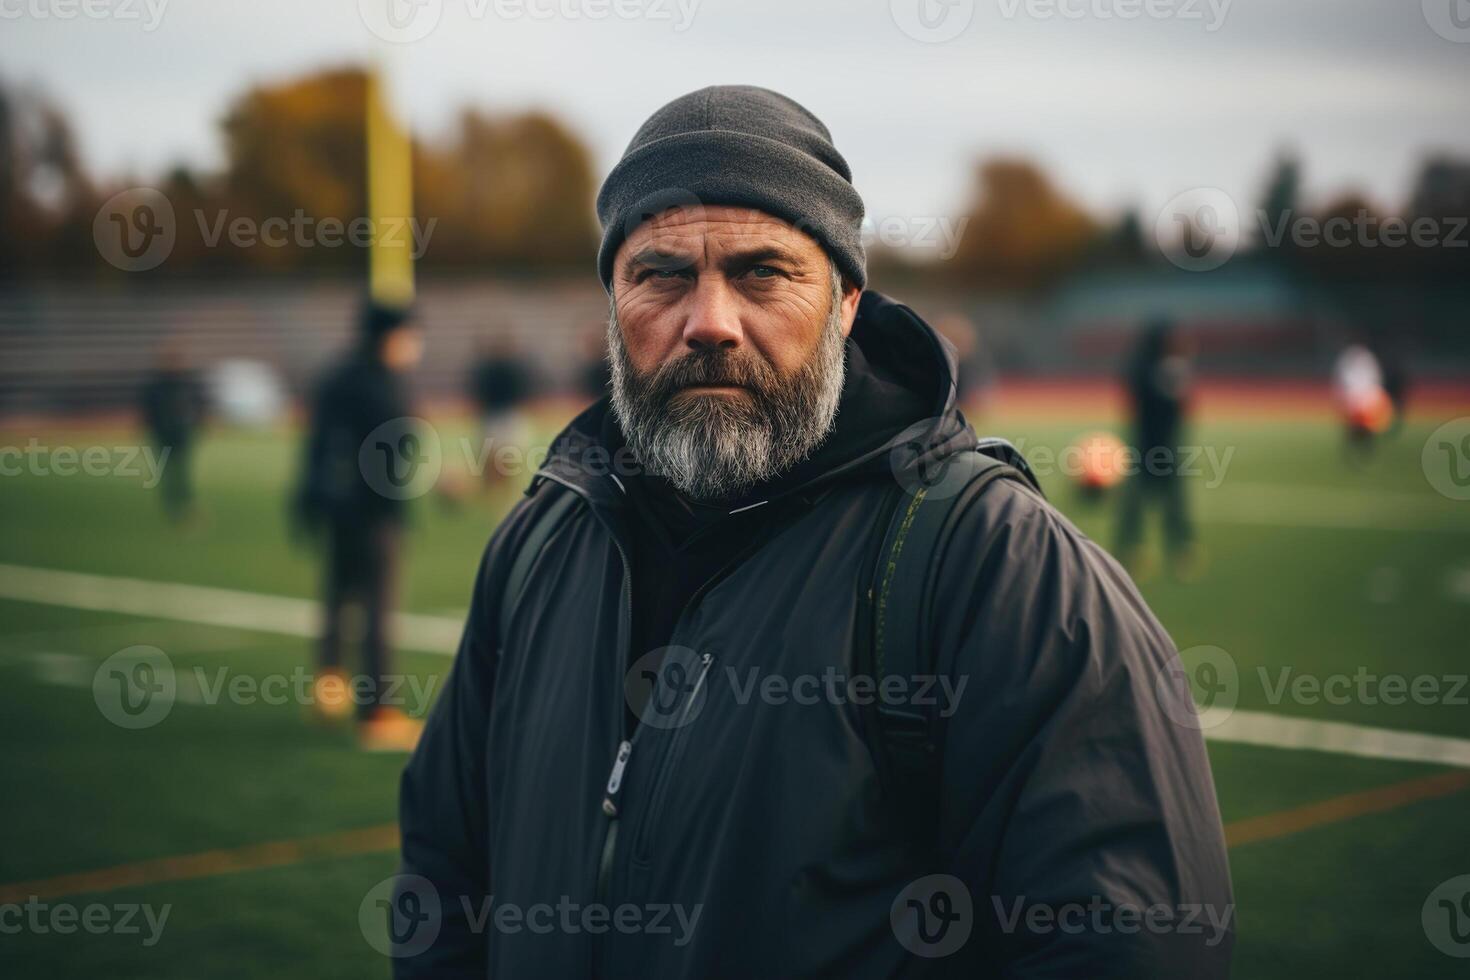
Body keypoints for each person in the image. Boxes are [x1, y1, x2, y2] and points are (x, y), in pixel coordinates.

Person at [396, 86, 1232, 978]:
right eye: (662, 273)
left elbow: (1129, 947)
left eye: (763, 272)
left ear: (844, 306)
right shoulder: (540, 544)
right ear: (614, 306)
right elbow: (446, 886)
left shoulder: (998, 566)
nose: (709, 322)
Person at [293, 300, 425, 752]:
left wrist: (307, 499)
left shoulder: (337, 375)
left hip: (335, 507)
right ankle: (378, 711)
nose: (414, 344)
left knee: (338, 598)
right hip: (372, 513)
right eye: (409, 334)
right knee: (377, 611)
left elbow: (316, 443)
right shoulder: (384, 384)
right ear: (390, 335)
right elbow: (395, 448)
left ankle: (329, 693)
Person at [1115, 317, 1198, 579]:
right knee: (1135, 503)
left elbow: (1184, 407)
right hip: (1145, 445)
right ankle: (1131, 550)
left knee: (1173, 501)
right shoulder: (1144, 366)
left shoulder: (1175, 366)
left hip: (1166, 446)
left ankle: (1181, 548)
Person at [138, 339, 207, 524]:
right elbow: (148, 410)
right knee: (167, 471)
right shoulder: (157, 386)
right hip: (162, 434)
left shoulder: (187, 383)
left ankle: (186, 505)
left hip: (182, 434)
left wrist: (199, 424)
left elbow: (199, 405)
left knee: (182, 471)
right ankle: (172, 506)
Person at [467, 334, 535, 487]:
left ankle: (496, 485)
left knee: (496, 457)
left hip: (497, 415)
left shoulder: (488, 368)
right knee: (503, 457)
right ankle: (500, 485)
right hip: (503, 415)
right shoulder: (513, 368)